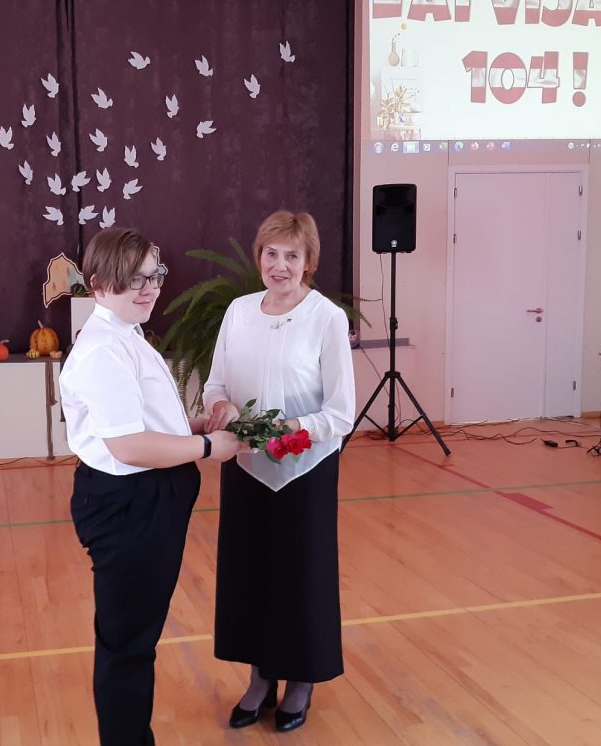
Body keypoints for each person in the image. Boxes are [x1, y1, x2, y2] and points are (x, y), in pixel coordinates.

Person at [59, 227, 244, 745]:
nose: (149, 289)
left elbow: (142, 423)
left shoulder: (127, 333)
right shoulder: (104, 349)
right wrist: (207, 448)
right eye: (132, 280)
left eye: (153, 276)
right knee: (127, 646)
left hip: (145, 500)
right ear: (98, 285)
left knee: (135, 638)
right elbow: (129, 446)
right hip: (130, 505)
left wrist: (193, 427)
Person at [202, 210, 356, 733]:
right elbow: (215, 384)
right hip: (246, 466)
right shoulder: (239, 312)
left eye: (292, 255)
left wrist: (291, 428)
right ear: (259, 256)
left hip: (304, 470)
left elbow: (340, 413)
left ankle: (301, 681)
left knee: (301, 577)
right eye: (272, 253)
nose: (280, 265)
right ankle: (260, 678)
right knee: (251, 574)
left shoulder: (326, 318)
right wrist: (221, 407)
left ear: (309, 262)